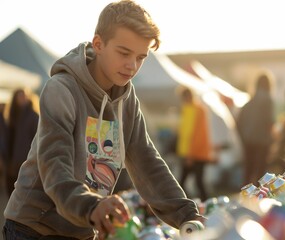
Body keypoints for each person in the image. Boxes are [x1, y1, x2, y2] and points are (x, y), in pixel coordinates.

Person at [3, 1, 205, 239]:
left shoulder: (127, 101)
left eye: (141, 57)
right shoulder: (61, 89)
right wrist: (90, 205)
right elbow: (55, 163)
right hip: (34, 227)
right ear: (98, 44)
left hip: (85, 227)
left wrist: (187, 215)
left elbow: (147, 162)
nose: (132, 65)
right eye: (124, 53)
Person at [235, 73, 275, 185]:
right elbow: (269, 121)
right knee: (260, 173)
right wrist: (273, 140)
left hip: (248, 140)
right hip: (262, 141)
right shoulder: (268, 100)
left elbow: (239, 122)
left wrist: (244, 137)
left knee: (248, 171)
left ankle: (245, 197)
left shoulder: (249, 102)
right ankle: (258, 198)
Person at [176, 86, 213, 202]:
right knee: (183, 182)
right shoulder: (187, 110)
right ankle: (191, 203)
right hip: (188, 153)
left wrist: (191, 155)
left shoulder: (198, 110)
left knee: (198, 182)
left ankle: (206, 203)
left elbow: (198, 135)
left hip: (197, 154)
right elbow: (185, 133)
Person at [4, 88, 39, 197]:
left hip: (26, 160)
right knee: (11, 191)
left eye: (24, 95)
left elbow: (38, 139)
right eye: (19, 96)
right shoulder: (11, 115)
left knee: (23, 193)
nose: (22, 98)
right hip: (11, 161)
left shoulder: (33, 116)